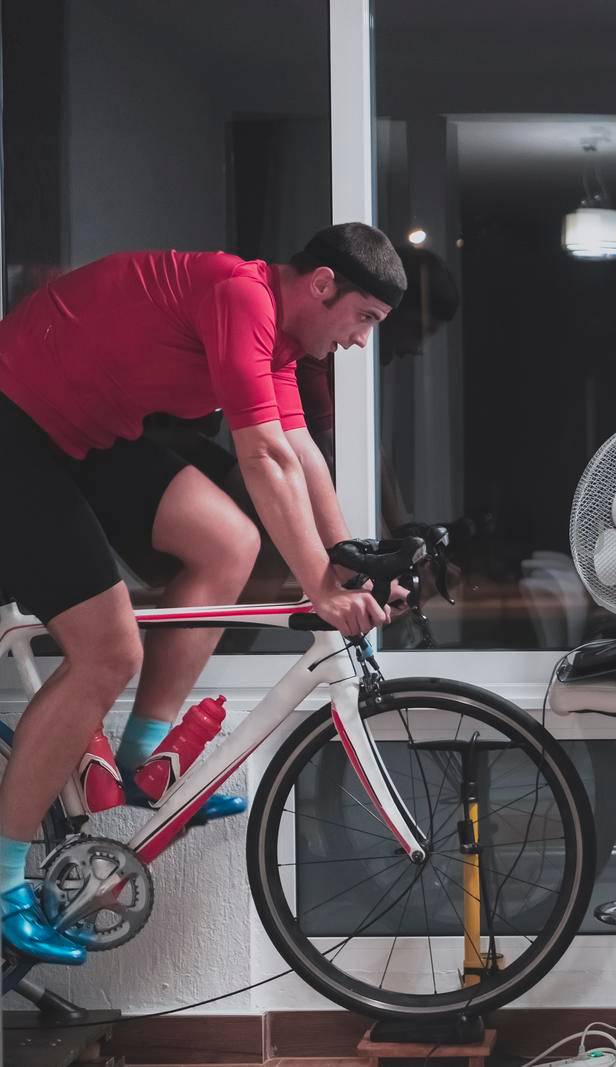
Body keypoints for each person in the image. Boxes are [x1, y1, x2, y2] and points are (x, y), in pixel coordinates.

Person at [0, 223, 406, 964]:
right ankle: (3, 888)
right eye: (364, 320)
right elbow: (258, 456)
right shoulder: (239, 297)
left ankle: (141, 765)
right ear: (322, 286)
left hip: (86, 433)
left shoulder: (281, 337)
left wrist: (352, 564)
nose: (359, 340)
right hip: (15, 422)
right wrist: (318, 583)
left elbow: (298, 452)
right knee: (107, 651)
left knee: (230, 543)